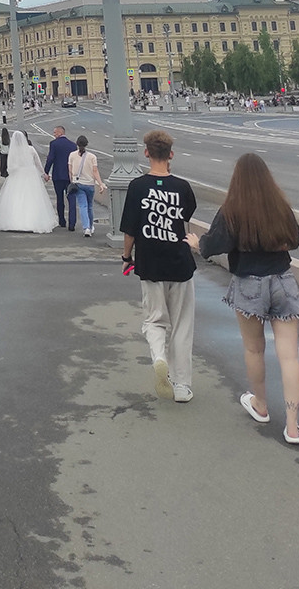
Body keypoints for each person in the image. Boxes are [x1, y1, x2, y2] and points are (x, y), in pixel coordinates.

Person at [186, 153, 299, 443]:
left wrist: (196, 243)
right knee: (290, 356)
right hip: (283, 280)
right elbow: (296, 239)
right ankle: (293, 428)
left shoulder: (232, 208)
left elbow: (213, 245)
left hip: (249, 284)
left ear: (237, 179)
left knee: (254, 349)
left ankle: (261, 405)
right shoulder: (279, 205)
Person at [120, 129, 197, 403]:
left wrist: (127, 258)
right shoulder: (183, 187)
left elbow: (130, 230)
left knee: (154, 320)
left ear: (146, 153)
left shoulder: (137, 187)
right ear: (171, 155)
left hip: (149, 263)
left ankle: (159, 358)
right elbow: (186, 217)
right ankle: (182, 386)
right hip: (180, 264)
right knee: (182, 325)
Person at [0, 130, 56, 234]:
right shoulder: (30, 149)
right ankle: (32, 221)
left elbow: (9, 165)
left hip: (16, 175)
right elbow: (38, 163)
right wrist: (44, 174)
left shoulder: (13, 151)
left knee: (15, 197)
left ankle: (14, 221)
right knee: (32, 197)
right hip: (30, 175)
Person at [67, 136, 106, 238]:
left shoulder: (72, 155)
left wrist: (72, 181)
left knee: (82, 206)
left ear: (77, 144)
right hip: (90, 184)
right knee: (90, 206)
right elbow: (95, 171)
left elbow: (70, 171)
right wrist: (100, 184)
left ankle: (86, 228)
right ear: (86, 144)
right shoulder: (92, 157)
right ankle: (91, 226)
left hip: (78, 184)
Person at [44, 126, 78, 230]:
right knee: (72, 199)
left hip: (58, 175)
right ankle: (72, 224)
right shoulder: (73, 145)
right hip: (70, 176)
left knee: (59, 199)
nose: (54, 134)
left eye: (55, 132)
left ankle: (62, 221)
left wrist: (46, 171)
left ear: (60, 133)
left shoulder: (54, 144)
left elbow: (51, 158)